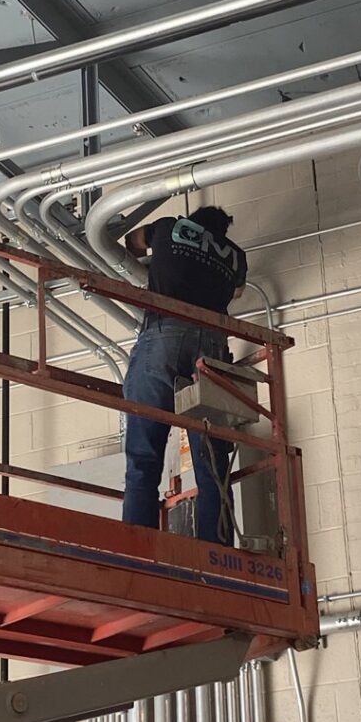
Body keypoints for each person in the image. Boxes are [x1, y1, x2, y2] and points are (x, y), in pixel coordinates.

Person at [122, 206, 247, 545]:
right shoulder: (236, 255)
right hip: (212, 348)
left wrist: (163, 260)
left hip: (164, 338)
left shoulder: (168, 227)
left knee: (144, 456)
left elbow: (132, 242)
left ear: (193, 218)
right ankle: (217, 552)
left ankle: (137, 548)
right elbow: (238, 292)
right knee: (212, 464)